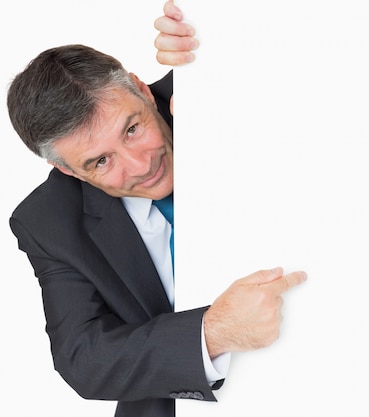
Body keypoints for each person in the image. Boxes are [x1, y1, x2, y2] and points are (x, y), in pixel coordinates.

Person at [6, 3, 306, 417]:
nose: (140, 164)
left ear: (141, 88)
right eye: (101, 162)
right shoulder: (47, 222)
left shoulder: (206, 85)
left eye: (132, 129)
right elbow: (85, 359)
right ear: (66, 169)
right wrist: (212, 334)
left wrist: (221, 34)